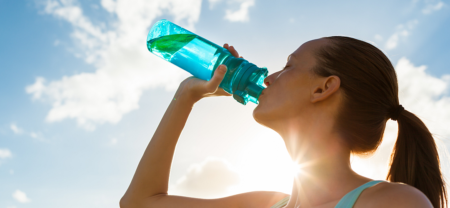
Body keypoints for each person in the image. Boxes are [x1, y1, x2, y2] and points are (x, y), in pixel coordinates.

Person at [120, 36, 447, 208]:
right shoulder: (264, 204)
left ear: (323, 88)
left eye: (289, 66)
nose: (271, 76)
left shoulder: (392, 203)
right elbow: (138, 204)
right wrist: (187, 95)